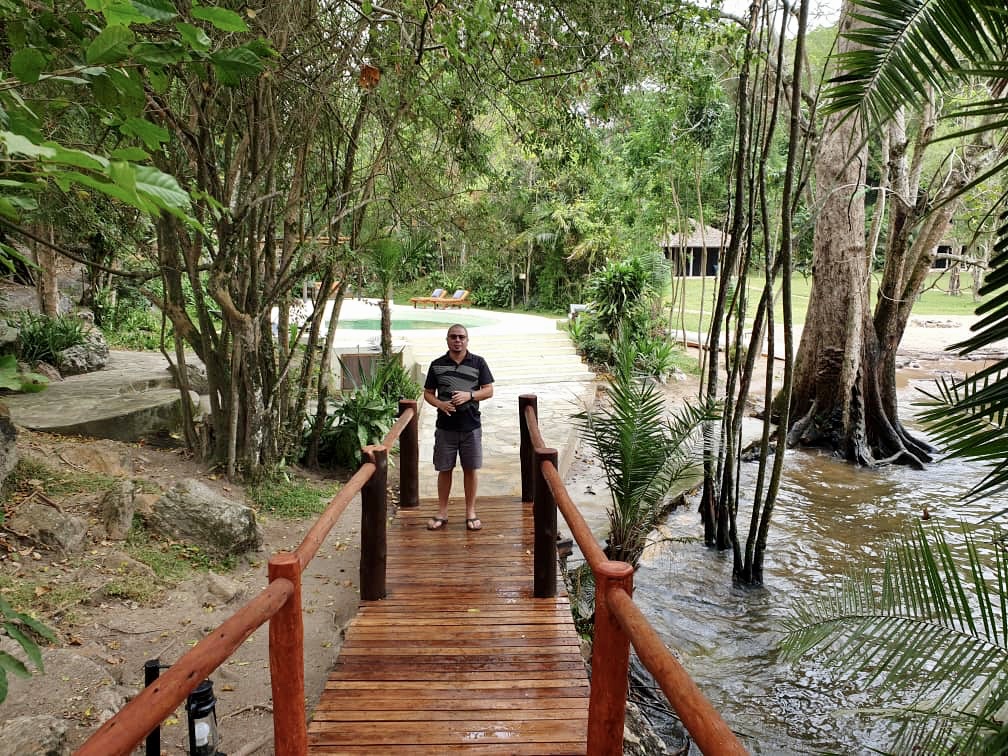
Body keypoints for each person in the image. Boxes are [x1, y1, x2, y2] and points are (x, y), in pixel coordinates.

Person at [423, 324, 494, 532]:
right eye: (453, 337)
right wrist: (440, 404)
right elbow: (428, 393)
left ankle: (470, 512)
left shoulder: (478, 363)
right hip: (445, 427)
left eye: (461, 337)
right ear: (447, 340)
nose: (457, 340)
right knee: (444, 469)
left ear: (467, 340)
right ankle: (442, 513)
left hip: (471, 425)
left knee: (470, 469)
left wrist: (469, 395)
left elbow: (488, 390)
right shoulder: (437, 365)